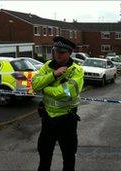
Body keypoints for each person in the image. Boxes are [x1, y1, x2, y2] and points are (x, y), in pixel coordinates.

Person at [32, 36, 84, 171]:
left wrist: (45, 88)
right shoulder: (47, 66)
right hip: (48, 119)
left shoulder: (76, 70)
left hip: (67, 120)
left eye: (61, 52)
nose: (57, 54)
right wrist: (53, 75)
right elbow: (35, 84)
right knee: (44, 157)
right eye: (55, 51)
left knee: (68, 158)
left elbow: (66, 93)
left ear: (70, 53)